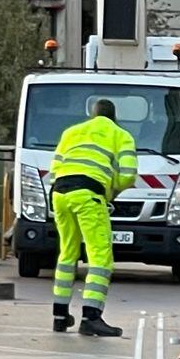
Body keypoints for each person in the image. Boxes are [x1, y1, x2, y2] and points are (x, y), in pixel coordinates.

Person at [49, 98, 138, 338]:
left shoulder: (71, 132)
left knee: (68, 253)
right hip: (88, 194)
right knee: (100, 257)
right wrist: (111, 190)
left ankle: (60, 315)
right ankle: (91, 317)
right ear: (114, 117)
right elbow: (129, 175)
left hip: (59, 193)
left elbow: (54, 169)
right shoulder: (121, 135)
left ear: (92, 114)